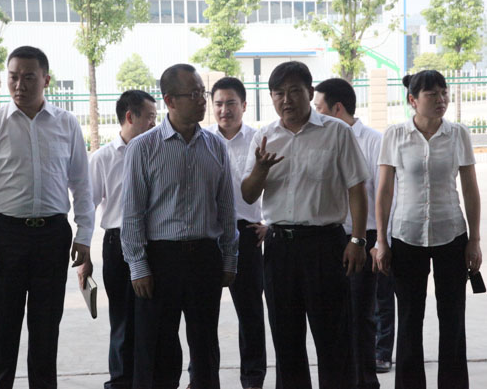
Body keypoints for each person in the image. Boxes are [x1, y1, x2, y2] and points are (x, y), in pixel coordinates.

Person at [0, 46, 94, 389]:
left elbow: (82, 185)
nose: (19, 85)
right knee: (3, 328)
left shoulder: (66, 124)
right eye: (13, 77)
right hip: (6, 238)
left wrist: (84, 235)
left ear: (46, 80)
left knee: (46, 329)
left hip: (53, 236)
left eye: (28, 77)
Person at [241, 61, 370, 389]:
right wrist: (260, 169)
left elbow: (357, 188)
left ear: (310, 93)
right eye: (278, 93)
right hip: (280, 249)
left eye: (294, 91)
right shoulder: (264, 137)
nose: (286, 99)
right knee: (286, 343)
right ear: (271, 97)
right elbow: (248, 194)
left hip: (325, 246)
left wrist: (357, 240)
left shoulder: (336, 132)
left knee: (333, 340)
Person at [121, 63, 239, 389]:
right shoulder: (143, 148)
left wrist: (230, 258)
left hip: (204, 257)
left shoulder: (216, 146)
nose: (203, 100)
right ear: (170, 100)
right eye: (195, 94)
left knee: (205, 346)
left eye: (203, 92)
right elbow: (132, 213)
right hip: (161, 259)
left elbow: (226, 208)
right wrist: (138, 266)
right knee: (158, 349)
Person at [375, 70, 482, 389]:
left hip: (451, 234)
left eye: (444, 92)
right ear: (413, 100)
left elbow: (470, 189)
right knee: (409, 318)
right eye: (432, 94)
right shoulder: (395, 135)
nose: (441, 99)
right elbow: (384, 191)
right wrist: (381, 241)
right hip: (406, 236)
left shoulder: (458, 134)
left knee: (453, 318)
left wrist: (474, 239)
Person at [314, 78, 382, 389]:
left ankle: (366, 380)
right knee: (332, 315)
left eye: (319, 107)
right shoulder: (322, 138)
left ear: (337, 108)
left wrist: (378, 241)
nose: (315, 113)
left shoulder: (373, 141)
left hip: (363, 237)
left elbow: (383, 195)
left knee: (361, 315)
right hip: (329, 237)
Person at [86, 90, 156, 389]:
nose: (154, 123)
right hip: (117, 245)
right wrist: (84, 256)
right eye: (150, 117)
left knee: (153, 320)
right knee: (123, 320)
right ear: (130, 117)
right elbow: (87, 207)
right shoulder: (103, 158)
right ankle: (121, 382)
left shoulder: (156, 151)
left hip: (153, 243)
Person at [200, 77, 267, 389]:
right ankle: (202, 376)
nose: (224, 110)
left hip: (247, 234)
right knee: (202, 314)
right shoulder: (201, 140)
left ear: (244, 105)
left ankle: (253, 378)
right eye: (218, 104)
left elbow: (277, 184)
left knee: (250, 312)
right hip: (209, 235)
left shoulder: (259, 140)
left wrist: (270, 223)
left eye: (230, 103)